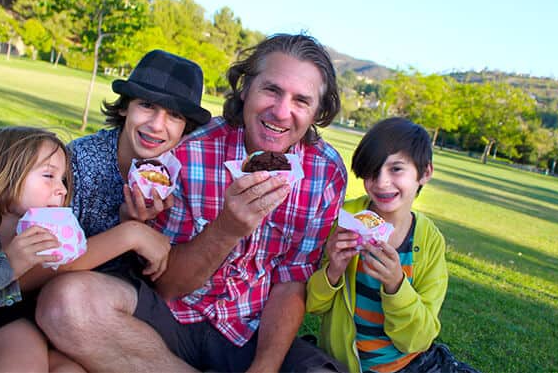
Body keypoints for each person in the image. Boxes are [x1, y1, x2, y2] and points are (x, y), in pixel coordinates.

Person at [37, 34, 348, 372]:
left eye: (301, 100)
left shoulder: (325, 173)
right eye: (271, 90)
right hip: (169, 320)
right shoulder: (187, 152)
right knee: (64, 304)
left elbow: (291, 280)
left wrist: (266, 366)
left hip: (253, 330)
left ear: (318, 111)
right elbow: (166, 286)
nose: (281, 111)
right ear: (245, 88)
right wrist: (227, 229)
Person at [36, 49, 213, 372]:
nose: (157, 125)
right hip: (59, 302)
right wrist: (130, 232)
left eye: (174, 116)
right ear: (126, 107)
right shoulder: (81, 164)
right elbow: (41, 267)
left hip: (129, 308)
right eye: (147, 105)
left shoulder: (179, 175)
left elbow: (164, 279)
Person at [306, 117, 479, 373]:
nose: (381, 182)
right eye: (372, 171)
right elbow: (313, 305)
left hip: (412, 363)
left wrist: (396, 284)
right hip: (347, 363)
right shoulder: (345, 220)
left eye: (396, 169)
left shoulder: (429, 241)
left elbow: (419, 338)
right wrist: (333, 270)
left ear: (425, 173)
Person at [0, 127, 83, 372]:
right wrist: (6, 266)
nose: (62, 189)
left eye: (63, 179)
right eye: (49, 175)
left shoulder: (36, 232)